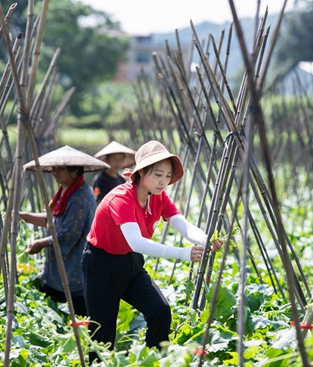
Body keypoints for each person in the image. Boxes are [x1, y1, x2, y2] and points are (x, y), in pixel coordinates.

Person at [81, 140, 223, 361]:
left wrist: (206, 240)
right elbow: (137, 242)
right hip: (101, 264)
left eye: (167, 176)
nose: (163, 181)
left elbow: (181, 224)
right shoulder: (121, 198)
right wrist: (183, 253)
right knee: (102, 335)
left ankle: (153, 361)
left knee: (160, 310)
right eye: (158, 174)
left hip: (130, 263)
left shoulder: (158, 197)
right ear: (141, 173)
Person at [21, 145, 110, 316]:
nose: (55, 172)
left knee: (76, 313)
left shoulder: (80, 197)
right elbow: (53, 220)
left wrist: (41, 243)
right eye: (54, 168)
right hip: (60, 269)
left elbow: (68, 234)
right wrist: (23, 215)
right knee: (58, 312)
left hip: (73, 268)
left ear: (75, 171)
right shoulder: (67, 191)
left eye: (60, 168)